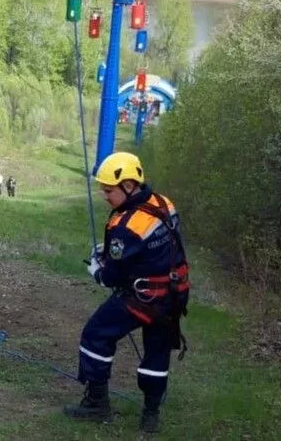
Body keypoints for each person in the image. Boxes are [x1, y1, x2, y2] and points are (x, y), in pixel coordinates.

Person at [64, 152, 189, 433]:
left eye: (109, 191)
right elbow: (160, 246)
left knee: (96, 334)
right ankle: (150, 416)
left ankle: (97, 404)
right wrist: (112, 253)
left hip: (142, 297)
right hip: (173, 292)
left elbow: (111, 277)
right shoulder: (163, 203)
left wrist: (98, 269)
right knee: (157, 351)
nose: (104, 196)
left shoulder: (126, 226)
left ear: (129, 185)